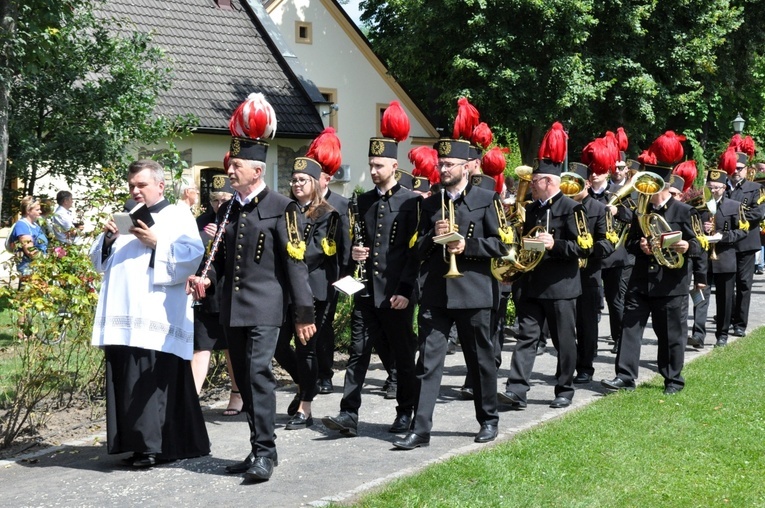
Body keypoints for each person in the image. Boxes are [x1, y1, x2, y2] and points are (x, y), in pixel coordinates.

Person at [188, 93, 315, 483]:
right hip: (232, 308)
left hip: (265, 306)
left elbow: (296, 263)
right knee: (243, 378)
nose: (231, 169)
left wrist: (304, 313)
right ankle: (255, 447)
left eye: (237, 165)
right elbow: (222, 259)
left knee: (259, 374)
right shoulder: (227, 208)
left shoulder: (282, 207)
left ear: (256, 171)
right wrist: (206, 277)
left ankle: (266, 453)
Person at [90, 159, 208, 468]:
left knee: (150, 380)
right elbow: (99, 262)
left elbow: (193, 256)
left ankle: (152, 446)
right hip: (123, 314)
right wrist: (108, 239)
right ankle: (132, 443)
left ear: (160, 185)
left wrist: (158, 243)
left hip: (156, 316)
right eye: (131, 185)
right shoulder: (126, 217)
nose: (135, 190)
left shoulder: (178, 215)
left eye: (141, 185)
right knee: (125, 378)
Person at [393, 137, 507, 450]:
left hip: (473, 292)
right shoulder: (428, 203)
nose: (443, 168)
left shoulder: (487, 198)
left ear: (467, 167)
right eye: (440, 164)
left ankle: (488, 420)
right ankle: (421, 428)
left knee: (479, 360)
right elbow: (415, 250)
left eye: (449, 164)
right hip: (436, 293)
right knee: (428, 363)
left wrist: (466, 246)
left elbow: (502, 246)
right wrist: (433, 236)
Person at [322, 101, 419, 438]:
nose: (374, 171)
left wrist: (406, 291)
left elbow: (414, 254)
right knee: (358, 352)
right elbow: (355, 246)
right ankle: (348, 413)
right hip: (365, 289)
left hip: (396, 294)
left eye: (379, 165)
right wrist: (355, 257)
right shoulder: (360, 201)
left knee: (403, 356)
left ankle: (406, 412)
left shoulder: (411, 201)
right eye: (370, 165)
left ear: (395, 164)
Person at [499, 122, 592, 410]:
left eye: (535, 179)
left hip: (561, 286)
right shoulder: (532, 209)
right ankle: (516, 390)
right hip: (532, 283)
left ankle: (564, 389)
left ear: (549, 182)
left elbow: (584, 246)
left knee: (564, 341)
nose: (530, 184)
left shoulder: (572, 208)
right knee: (526, 336)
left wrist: (556, 245)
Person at [601, 131, 703, 395]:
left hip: (671, 283)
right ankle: (624, 376)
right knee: (629, 327)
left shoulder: (685, 212)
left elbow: (699, 245)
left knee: (670, 334)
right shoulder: (641, 212)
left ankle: (672, 379)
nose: (650, 190)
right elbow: (632, 242)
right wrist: (642, 246)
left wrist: (686, 246)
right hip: (641, 280)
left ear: (667, 186)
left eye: (656, 185)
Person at [273, 127, 342, 430]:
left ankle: (306, 408)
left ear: (315, 184)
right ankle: (305, 384)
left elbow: (316, 252)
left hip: (313, 290)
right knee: (277, 346)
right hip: (285, 290)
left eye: (303, 180)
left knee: (307, 349)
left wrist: (290, 255)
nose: (296, 184)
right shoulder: (286, 211)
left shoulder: (328, 213)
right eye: (294, 179)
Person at [190, 174, 242, 417]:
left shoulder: (240, 218)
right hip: (205, 293)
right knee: (201, 347)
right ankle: (189, 401)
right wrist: (205, 237)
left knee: (231, 348)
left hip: (229, 293)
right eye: (214, 200)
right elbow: (190, 254)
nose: (218, 205)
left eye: (224, 199)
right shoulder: (202, 221)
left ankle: (237, 393)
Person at [566, 156, 614, 385]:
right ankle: (567, 365)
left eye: (575, 182)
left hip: (589, 274)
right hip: (564, 273)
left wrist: (587, 250)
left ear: (586, 184)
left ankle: (585, 367)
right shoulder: (562, 207)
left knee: (587, 324)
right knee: (564, 325)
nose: (569, 187)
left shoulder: (599, 208)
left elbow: (608, 244)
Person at [695, 157, 748, 348]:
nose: (713, 190)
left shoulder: (733, 206)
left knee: (725, 300)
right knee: (700, 297)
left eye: (717, 187)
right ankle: (698, 335)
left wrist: (722, 236)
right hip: (703, 259)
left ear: (724, 188)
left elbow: (743, 230)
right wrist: (702, 228)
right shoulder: (699, 206)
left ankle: (722, 334)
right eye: (710, 186)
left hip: (725, 258)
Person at [316, 161, 351, 395]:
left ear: (327, 179)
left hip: (331, 274)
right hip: (306, 274)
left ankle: (325, 374)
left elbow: (347, 243)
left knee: (324, 326)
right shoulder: (299, 204)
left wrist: (346, 275)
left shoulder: (341, 203)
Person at [725, 146, 764, 337]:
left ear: (746, 169)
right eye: (733, 167)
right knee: (726, 284)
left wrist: (731, 217)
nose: (735, 171)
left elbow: (758, 213)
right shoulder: (720, 187)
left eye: (739, 168)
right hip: (725, 242)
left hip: (746, 243)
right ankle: (727, 318)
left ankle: (740, 323)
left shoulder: (756, 188)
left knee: (743, 283)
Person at [9, 196, 49, 277]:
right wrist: (46, 261)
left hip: (40, 266)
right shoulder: (22, 226)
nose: (40, 212)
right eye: (37, 210)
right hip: (29, 268)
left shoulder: (35, 225)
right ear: (28, 210)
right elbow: (30, 251)